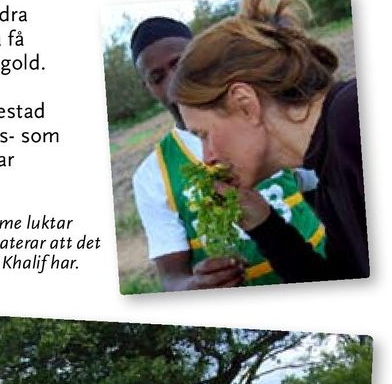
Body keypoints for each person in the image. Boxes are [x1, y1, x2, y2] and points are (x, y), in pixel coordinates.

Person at [169, 0, 367, 283]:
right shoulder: (327, 176)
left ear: (245, 104)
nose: (207, 157)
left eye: (204, 134)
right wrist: (262, 223)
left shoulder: (355, 119)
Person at [129, 15, 324, 290]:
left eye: (179, 63)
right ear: (148, 88)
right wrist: (194, 285)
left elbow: (324, 184)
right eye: (157, 77)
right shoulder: (153, 175)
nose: (173, 83)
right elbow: (171, 277)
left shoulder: (265, 118)